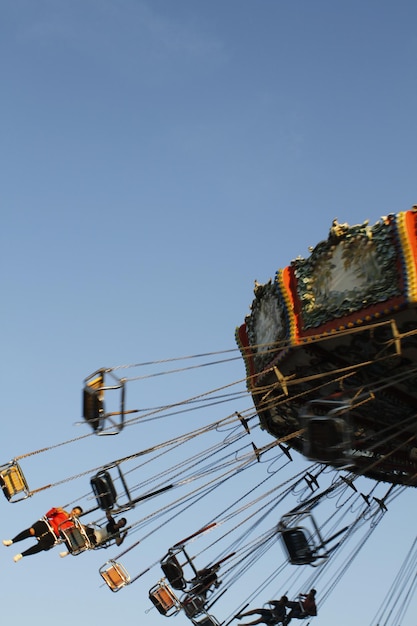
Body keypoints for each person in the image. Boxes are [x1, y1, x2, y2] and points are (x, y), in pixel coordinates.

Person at [2, 505, 83, 562]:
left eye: (77, 514)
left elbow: (69, 537)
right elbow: (48, 515)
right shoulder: (62, 512)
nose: (74, 514)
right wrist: (55, 510)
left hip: (53, 535)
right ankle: (12, 541)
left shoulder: (72, 525)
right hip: (47, 525)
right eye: (74, 511)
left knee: (41, 546)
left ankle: (21, 555)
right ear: (72, 510)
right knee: (31, 531)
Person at [59, 510, 127, 557]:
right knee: (81, 526)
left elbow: (118, 543)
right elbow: (107, 514)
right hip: (95, 532)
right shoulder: (112, 522)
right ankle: (66, 533)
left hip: (97, 539)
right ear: (118, 521)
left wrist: (123, 536)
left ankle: (69, 551)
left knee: (85, 542)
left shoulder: (117, 533)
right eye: (120, 522)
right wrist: (110, 509)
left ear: (122, 526)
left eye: (121, 524)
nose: (119, 524)